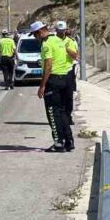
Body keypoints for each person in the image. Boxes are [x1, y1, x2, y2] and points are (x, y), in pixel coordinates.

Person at [31, 21, 74, 153]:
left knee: (52, 113)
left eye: (34, 35)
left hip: (53, 81)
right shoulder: (58, 39)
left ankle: (58, 143)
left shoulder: (46, 44)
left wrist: (42, 86)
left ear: (39, 33)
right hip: (66, 79)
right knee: (62, 112)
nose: (35, 38)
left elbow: (48, 65)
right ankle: (69, 141)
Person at [55, 20, 79, 126]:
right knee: (57, 97)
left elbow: (75, 55)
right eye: (59, 31)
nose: (61, 33)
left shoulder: (70, 41)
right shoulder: (52, 41)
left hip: (68, 72)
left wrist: (65, 48)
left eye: (62, 31)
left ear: (65, 30)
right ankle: (59, 117)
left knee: (68, 97)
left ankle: (68, 116)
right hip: (56, 72)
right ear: (56, 30)